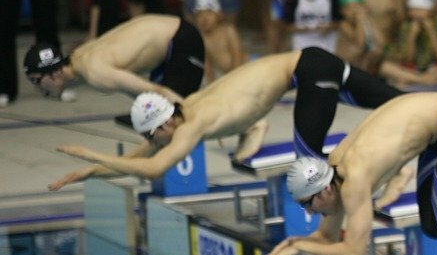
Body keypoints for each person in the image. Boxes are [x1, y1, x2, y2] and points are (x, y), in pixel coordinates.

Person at [48, 47, 403, 190]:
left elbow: (154, 169)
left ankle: (388, 179)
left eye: (154, 138)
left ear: (165, 125)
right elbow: (135, 161)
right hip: (313, 65)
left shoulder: (191, 126)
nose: (155, 145)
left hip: (310, 73)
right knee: (401, 103)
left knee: (311, 170)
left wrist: (92, 154)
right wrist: (88, 172)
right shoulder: (184, 109)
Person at [259, 93, 437, 255]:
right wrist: (293, 244)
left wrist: (302, 249)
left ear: (323, 191)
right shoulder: (334, 174)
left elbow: (354, 254)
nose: (311, 213)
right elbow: (327, 238)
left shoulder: (354, 180)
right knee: (433, 226)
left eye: (308, 205)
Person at [25, 15, 205, 102]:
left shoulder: (96, 73)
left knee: (170, 117)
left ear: (54, 74)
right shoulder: (78, 57)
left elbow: (155, 92)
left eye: (36, 81)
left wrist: (194, 116)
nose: (37, 89)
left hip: (182, 41)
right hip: (169, 41)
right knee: (157, 119)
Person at [191, 0, 245, 82]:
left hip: (245, 68)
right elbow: (207, 65)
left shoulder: (228, 31)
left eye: (208, 13)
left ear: (218, 15)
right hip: (228, 74)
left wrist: (235, 79)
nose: (204, 18)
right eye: (199, 14)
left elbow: (237, 56)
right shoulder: (202, 38)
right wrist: (212, 84)